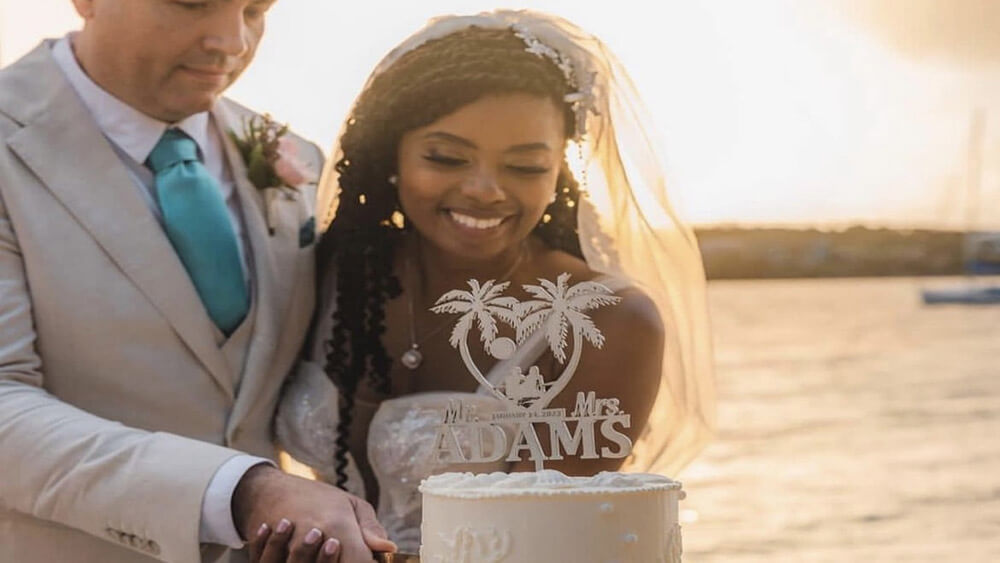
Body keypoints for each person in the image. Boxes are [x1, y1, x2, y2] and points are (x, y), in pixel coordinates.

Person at [266, 9, 717, 557]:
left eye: (525, 167)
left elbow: (536, 545)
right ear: (392, 155)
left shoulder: (607, 321)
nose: (485, 190)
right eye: (446, 157)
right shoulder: (328, 274)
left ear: (560, 173)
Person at [0, 1, 394, 562]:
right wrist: (241, 491)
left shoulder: (298, 159)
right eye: (193, 3)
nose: (232, 41)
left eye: (256, 9)